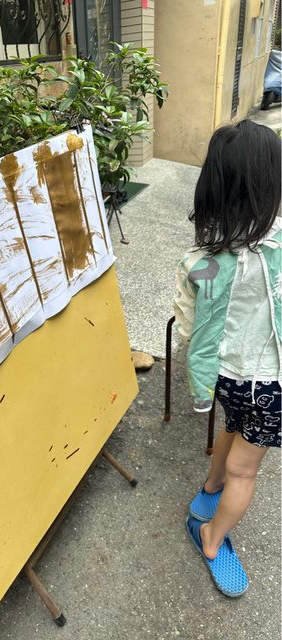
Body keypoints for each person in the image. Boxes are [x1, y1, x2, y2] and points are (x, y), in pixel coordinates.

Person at [173, 119, 281, 597]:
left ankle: (210, 488)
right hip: (272, 384)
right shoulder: (278, 250)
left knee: (232, 428)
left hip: (224, 378)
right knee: (246, 469)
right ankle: (212, 539)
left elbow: (189, 326)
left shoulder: (202, 260)